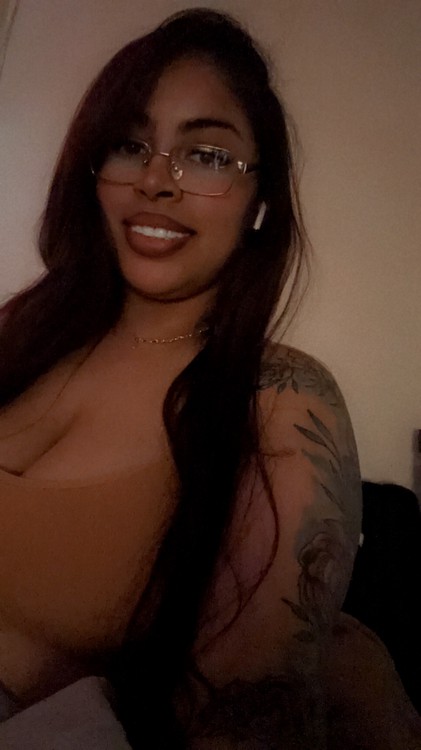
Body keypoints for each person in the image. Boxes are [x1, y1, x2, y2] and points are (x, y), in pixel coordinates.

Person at [0, 8, 419, 749]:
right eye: (130, 145)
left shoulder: (281, 398)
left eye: (207, 156)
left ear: (261, 202)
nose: (155, 180)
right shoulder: (22, 332)